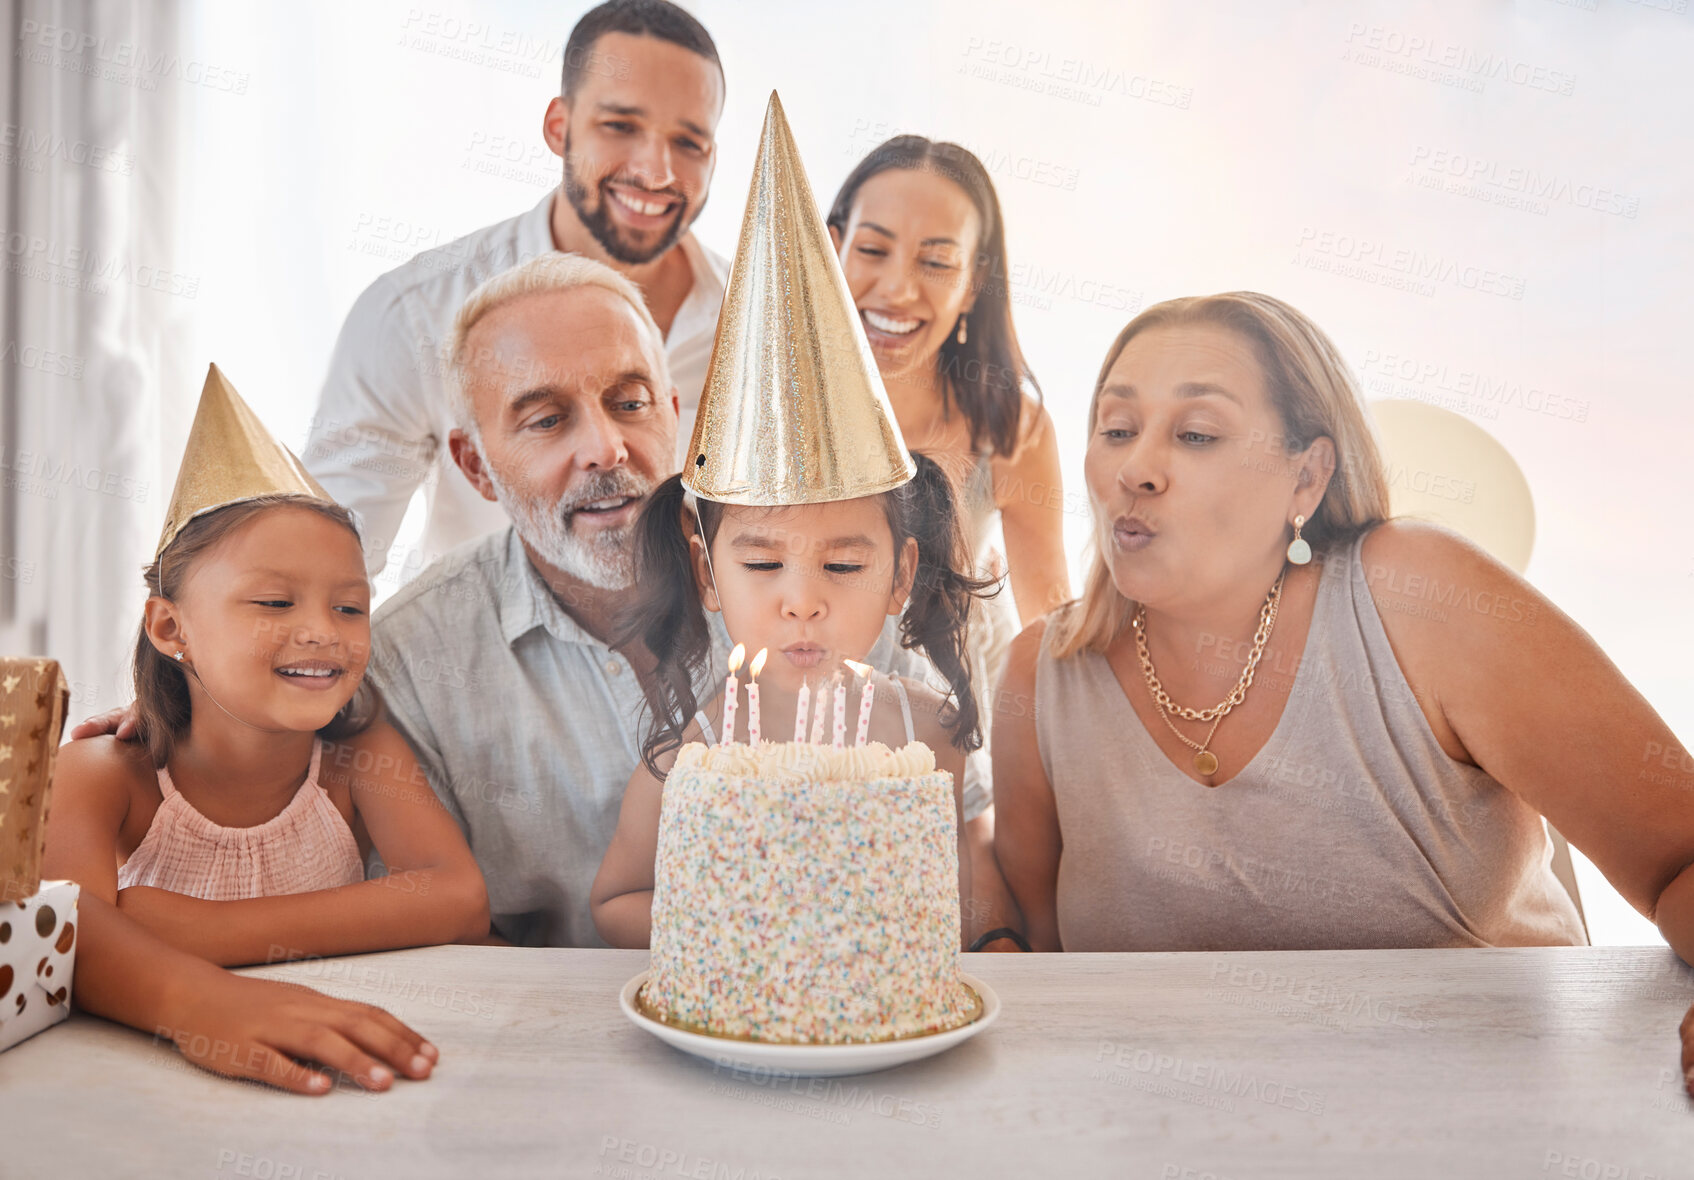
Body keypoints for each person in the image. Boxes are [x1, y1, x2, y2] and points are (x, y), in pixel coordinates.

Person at [990, 293, 1694, 992]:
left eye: (1197, 433)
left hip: (1507, 1101)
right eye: (1116, 429)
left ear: (1307, 477)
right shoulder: (1039, 678)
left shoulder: (1422, 598)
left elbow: (1679, 859)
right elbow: (1039, 973)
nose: (1134, 469)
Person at [47, 367, 487, 1091]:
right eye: (275, 602)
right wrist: (202, 999)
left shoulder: (354, 752)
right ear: (169, 626)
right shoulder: (98, 775)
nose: (322, 632)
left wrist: (186, 930)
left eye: (349, 608)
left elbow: (459, 898)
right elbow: (66, 940)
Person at [306, 0, 729, 580]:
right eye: (620, 126)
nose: (656, 172)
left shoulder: (760, 325)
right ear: (560, 127)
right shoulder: (415, 315)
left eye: (689, 142)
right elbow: (321, 567)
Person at [590, 450, 988, 946]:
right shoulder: (689, 762)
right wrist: (748, 930)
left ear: (900, 575)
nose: (802, 603)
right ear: (708, 574)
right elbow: (613, 904)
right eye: (762, 562)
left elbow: (952, 905)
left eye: (843, 565)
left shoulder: (930, 736)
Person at [827, 136, 1071, 699]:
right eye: (871, 250)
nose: (897, 288)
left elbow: (1051, 632)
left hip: (950, 715)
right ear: (831, 249)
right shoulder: (765, 397)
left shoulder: (1012, 431)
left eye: (936, 262)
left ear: (972, 283)